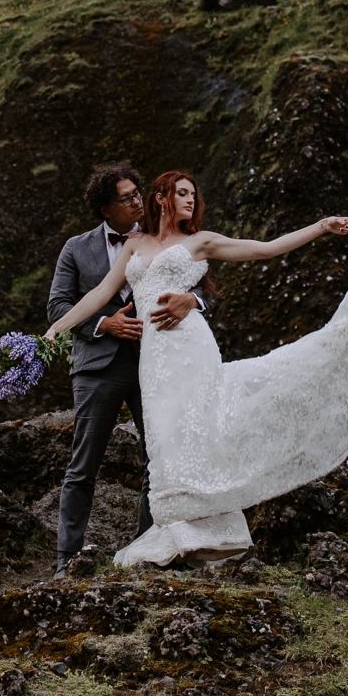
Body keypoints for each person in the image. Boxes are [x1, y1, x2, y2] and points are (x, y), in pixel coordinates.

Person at [46, 171, 348, 568]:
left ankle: (193, 535)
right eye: (182, 193)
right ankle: (177, 532)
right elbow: (100, 294)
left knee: (192, 429)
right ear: (161, 197)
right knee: (167, 443)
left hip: (189, 345)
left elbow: (266, 248)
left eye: (193, 195)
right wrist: (50, 333)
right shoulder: (135, 245)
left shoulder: (200, 241)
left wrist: (321, 226)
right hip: (153, 359)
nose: (190, 200)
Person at [46, 163, 206, 577]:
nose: (138, 200)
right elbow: (59, 306)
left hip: (153, 364)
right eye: (127, 197)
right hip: (98, 366)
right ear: (105, 209)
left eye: (139, 193)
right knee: (84, 464)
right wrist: (105, 324)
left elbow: (197, 284)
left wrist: (194, 302)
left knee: (158, 459)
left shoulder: (165, 239)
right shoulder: (75, 249)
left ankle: (146, 551)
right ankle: (67, 559)